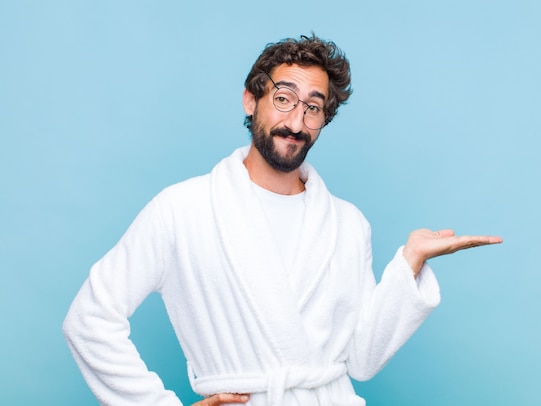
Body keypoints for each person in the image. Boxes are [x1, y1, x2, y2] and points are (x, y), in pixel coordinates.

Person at [63, 34, 502, 406]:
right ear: (251, 100)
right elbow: (89, 320)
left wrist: (409, 263)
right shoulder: (182, 209)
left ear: (323, 121)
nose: (296, 121)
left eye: (313, 107)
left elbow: (363, 361)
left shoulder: (348, 224)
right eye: (284, 98)